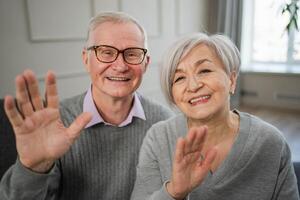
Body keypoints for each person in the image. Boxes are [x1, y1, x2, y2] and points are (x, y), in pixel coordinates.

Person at [0, 12, 173, 200]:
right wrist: (33, 168)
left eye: (132, 54)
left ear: (146, 63)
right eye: (106, 52)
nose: (120, 65)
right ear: (86, 59)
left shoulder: (164, 122)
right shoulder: (55, 124)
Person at [130, 33, 300, 200]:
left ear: (231, 80)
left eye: (204, 70)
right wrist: (174, 192)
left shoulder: (270, 142)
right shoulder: (158, 138)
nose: (194, 86)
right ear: (173, 94)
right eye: (180, 78)